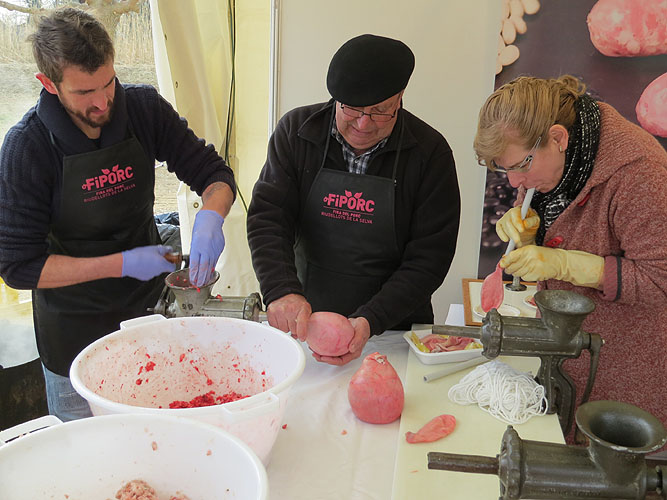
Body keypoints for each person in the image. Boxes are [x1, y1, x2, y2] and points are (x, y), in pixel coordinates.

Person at [0, 8, 236, 421]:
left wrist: (211, 217)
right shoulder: (28, 148)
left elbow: (215, 174)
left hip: (150, 316)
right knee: (92, 452)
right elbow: (18, 267)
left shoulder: (143, 109)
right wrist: (120, 264)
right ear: (48, 84)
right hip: (74, 337)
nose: (102, 101)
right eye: (84, 92)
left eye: (108, 83)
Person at [473, 75, 667, 442]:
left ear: (558, 138)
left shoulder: (639, 173)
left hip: (623, 371)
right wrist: (532, 233)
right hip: (568, 360)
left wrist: (565, 264)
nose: (513, 182)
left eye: (521, 165)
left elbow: (661, 278)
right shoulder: (553, 164)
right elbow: (556, 216)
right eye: (504, 168)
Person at [247, 34, 460, 365]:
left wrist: (371, 320)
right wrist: (281, 290)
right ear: (336, 99)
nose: (363, 123)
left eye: (380, 111)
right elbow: (268, 218)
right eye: (352, 109)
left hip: (393, 329)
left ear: (400, 98)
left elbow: (430, 257)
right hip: (306, 324)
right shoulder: (296, 133)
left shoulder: (430, 154)